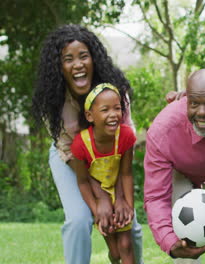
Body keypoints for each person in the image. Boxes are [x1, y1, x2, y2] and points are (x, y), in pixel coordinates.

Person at [32, 24, 143, 264]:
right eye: (68, 59)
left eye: (83, 56)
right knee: (79, 221)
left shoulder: (115, 93)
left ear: (94, 60)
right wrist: (100, 197)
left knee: (128, 225)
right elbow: (66, 150)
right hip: (70, 160)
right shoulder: (53, 102)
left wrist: (121, 198)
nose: (78, 64)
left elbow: (124, 141)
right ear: (59, 67)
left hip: (110, 158)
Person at [144, 69, 205, 263]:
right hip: (178, 172)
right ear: (186, 100)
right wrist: (169, 242)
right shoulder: (162, 133)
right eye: (194, 103)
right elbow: (156, 196)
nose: (202, 112)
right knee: (186, 230)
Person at [71, 83, 136, 264]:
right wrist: (97, 209)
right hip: (99, 199)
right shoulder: (80, 144)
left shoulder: (126, 136)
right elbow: (83, 182)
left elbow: (126, 174)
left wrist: (128, 207)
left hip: (120, 192)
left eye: (117, 108)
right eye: (105, 110)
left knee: (126, 245)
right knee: (115, 252)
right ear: (90, 116)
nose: (113, 114)